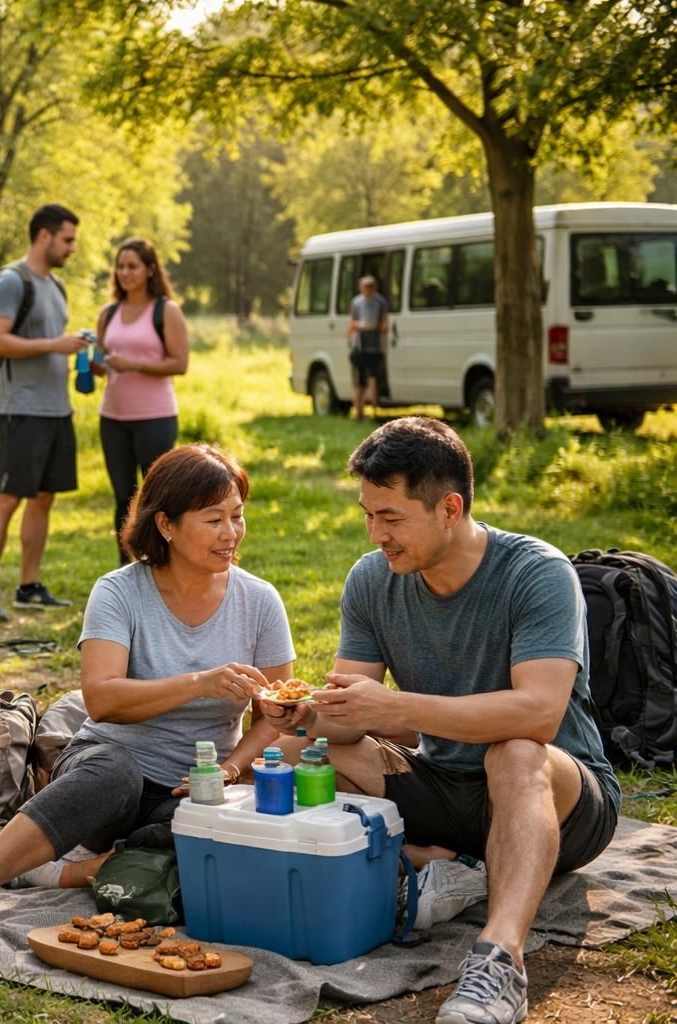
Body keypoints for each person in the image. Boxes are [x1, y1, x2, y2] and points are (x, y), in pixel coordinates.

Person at [261, 417, 619, 1024]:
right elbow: (350, 718)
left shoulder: (537, 573)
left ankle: (500, 961)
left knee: (514, 751)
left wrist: (395, 707)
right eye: (368, 515)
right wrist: (307, 716)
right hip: (443, 783)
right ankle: (445, 868)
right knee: (297, 755)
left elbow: (539, 712)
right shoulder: (372, 580)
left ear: (449, 508)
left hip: (556, 794)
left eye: (391, 517)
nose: (376, 534)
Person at [0, 444, 295, 948]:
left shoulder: (259, 601)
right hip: (105, 771)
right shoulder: (119, 591)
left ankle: (64, 870)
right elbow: (103, 699)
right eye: (213, 519)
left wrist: (231, 770)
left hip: (193, 789)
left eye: (237, 517)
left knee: (236, 843)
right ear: (166, 526)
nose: (231, 533)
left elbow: (275, 713)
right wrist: (200, 682)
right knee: (114, 774)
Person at [0, 204, 89, 620]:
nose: (72, 248)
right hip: (20, 409)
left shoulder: (55, 286)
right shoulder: (11, 281)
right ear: (44, 236)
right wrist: (55, 345)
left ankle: (28, 585)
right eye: (68, 239)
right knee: (8, 498)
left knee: (43, 498)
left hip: (56, 410)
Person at [94, 238, 189, 565]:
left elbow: (180, 363)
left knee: (155, 498)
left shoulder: (166, 310)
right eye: (120, 266)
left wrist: (134, 364)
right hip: (113, 418)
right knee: (122, 498)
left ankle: (160, 564)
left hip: (155, 417)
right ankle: (126, 570)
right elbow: (101, 366)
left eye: (132, 266)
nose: (125, 272)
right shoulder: (108, 313)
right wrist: (90, 362)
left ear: (150, 270)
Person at [347, 275, 389, 421]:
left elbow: (385, 324)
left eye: (371, 287)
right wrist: (361, 326)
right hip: (360, 348)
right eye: (366, 288)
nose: (368, 290)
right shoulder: (356, 303)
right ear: (361, 288)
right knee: (359, 382)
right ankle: (359, 412)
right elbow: (351, 325)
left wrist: (379, 327)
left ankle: (375, 411)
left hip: (375, 349)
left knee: (373, 381)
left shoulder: (380, 302)